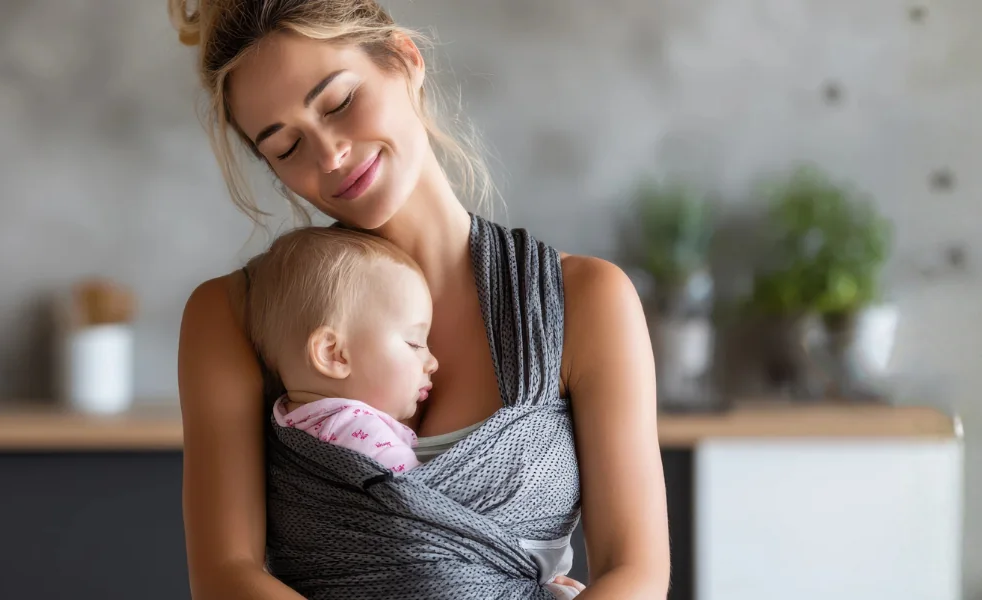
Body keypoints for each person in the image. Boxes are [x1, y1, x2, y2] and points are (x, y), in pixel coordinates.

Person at [171, 0, 670, 598]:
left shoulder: (586, 301)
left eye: (339, 103)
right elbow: (226, 576)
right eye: (285, 148)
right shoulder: (231, 316)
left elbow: (634, 572)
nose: (329, 155)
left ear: (405, 60)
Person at [247, 227, 437, 476]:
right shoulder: (361, 433)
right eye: (413, 343)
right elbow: (423, 507)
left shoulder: (284, 424)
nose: (432, 362)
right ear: (333, 354)